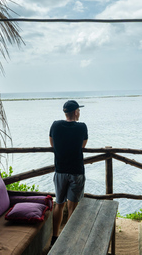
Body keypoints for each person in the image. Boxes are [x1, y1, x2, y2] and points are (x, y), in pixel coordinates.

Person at [49, 100, 88, 246]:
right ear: (75, 112)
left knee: (59, 204)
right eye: (79, 111)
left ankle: (54, 237)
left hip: (60, 171)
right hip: (76, 171)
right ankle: (69, 239)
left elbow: (52, 144)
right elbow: (82, 146)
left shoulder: (55, 125)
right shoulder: (82, 127)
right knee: (73, 207)